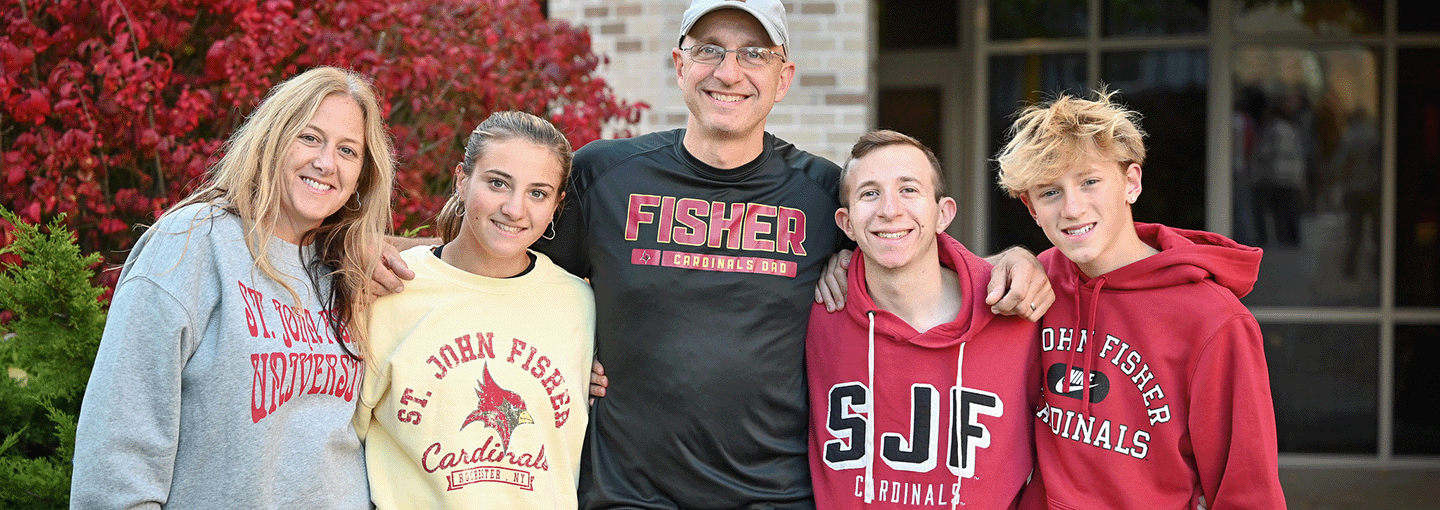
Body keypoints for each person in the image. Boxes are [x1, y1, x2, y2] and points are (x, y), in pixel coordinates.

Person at [374, 1, 1052, 507]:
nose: (730, 71)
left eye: (754, 54)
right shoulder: (604, 175)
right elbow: (498, 259)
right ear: (680, 64)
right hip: (630, 493)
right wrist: (376, 254)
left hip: (775, 492)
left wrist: (1010, 262)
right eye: (710, 50)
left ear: (783, 78)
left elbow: (906, 240)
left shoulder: (820, 191)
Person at [71, 66, 395, 509]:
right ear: (270, 140)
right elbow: (118, 446)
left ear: (361, 176)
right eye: (309, 137)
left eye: (347, 150)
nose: (326, 162)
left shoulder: (346, 269)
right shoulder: (192, 244)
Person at [994, 90, 1286, 509]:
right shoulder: (1034, 285)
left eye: (1090, 181)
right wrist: (1012, 257)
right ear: (1031, 208)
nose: (1073, 208)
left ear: (1131, 182)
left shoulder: (1214, 320)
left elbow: (1248, 492)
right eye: (1050, 192)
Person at [355, 111, 595, 509]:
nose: (515, 208)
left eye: (538, 193)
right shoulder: (391, 289)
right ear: (462, 181)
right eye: (498, 183)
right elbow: (338, 442)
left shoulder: (580, 306)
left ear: (557, 204)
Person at [807, 131, 1043, 509]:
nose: (889, 210)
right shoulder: (816, 311)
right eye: (869, 193)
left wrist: (1022, 256)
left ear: (943, 213)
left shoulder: (1016, 313)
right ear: (847, 224)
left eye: (909, 190)